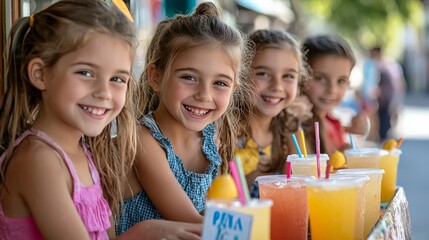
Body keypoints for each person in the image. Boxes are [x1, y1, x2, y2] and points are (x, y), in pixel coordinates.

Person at [0, 0, 201, 239]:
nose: (104, 93)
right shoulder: (38, 160)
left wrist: (157, 229)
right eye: (86, 73)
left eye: (117, 79)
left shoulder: (82, 152)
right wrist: (145, 231)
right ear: (40, 74)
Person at [116, 1, 255, 234]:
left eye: (220, 83)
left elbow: (209, 214)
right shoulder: (142, 140)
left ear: (233, 88)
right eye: (189, 77)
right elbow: (192, 222)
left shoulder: (212, 139)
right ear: (156, 77)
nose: (204, 95)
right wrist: (256, 224)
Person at [234, 29, 312, 197]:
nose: (276, 86)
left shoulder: (290, 130)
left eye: (288, 76)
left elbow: (296, 189)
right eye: (263, 73)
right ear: (241, 74)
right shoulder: (227, 131)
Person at [302, 34, 369, 155]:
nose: (332, 90)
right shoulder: (296, 127)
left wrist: (350, 131)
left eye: (341, 81)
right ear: (302, 76)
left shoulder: (331, 122)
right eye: (320, 78)